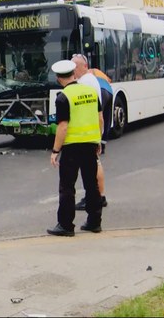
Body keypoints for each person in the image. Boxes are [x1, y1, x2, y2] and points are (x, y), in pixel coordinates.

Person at [47, 60, 104, 237]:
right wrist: (98, 141)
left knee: (67, 187)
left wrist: (55, 151)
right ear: (74, 74)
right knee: (91, 185)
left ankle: (66, 225)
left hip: (71, 148)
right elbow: (100, 119)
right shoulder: (91, 92)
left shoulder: (64, 97)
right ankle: (94, 222)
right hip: (90, 145)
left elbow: (63, 127)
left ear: (58, 78)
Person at [72, 54, 109, 210]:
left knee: (94, 165)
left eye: (75, 67)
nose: (73, 70)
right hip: (92, 130)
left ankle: (97, 197)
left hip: (88, 131)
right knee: (94, 164)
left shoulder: (85, 82)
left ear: (84, 66)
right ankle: (97, 196)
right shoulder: (90, 80)